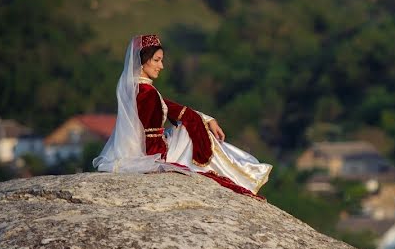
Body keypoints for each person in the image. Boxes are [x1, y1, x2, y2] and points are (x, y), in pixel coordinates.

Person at [93, 34, 271, 199]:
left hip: (138, 152)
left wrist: (207, 119)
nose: (161, 66)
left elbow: (170, 107)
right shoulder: (147, 93)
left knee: (193, 123)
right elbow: (152, 141)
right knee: (191, 130)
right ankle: (244, 173)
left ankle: (243, 169)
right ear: (142, 61)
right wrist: (161, 163)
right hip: (152, 155)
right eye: (157, 60)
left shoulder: (134, 88)